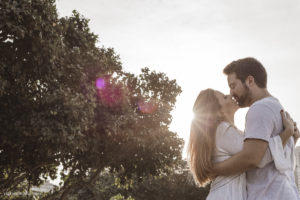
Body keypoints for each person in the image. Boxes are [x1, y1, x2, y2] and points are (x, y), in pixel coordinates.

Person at [213, 57, 300, 199]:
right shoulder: (277, 107)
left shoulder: (259, 108)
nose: (231, 93)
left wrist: (214, 169)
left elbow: (252, 158)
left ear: (250, 81)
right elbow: (279, 159)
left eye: (233, 86)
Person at [187, 88, 297, 199]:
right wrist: (286, 134)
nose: (230, 95)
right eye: (225, 97)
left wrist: (291, 139)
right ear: (218, 112)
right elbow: (258, 157)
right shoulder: (223, 131)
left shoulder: (225, 133)